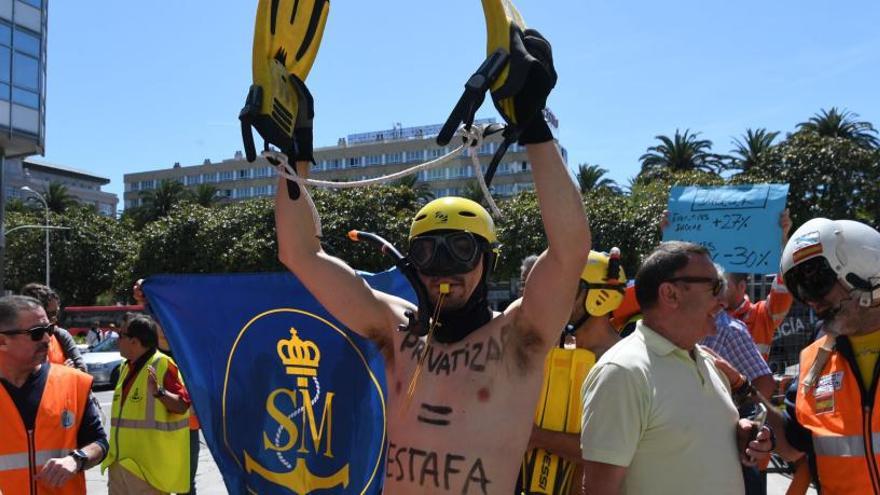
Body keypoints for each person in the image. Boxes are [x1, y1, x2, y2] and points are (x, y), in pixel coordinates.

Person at [275, 30, 592, 493]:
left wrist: (534, 125)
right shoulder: (393, 328)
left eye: (461, 251)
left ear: (487, 261)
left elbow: (570, 251)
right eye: (427, 253)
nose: (444, 268)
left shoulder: (519, 338)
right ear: (410, 262)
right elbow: (299, 253)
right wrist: (294, 155)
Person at [580, 241, 772, 494]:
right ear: (670, 294)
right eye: (714, 287)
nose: (722, 300)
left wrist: (736, 438)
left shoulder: (708, 361)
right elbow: (599, 490)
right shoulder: (622, 372)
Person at [766, 218, 880, 494]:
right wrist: (744, 390)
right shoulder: (815, 358)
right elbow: (793, 445)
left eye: (817, 284)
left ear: (862, 269)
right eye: (801, 291)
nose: (812, 301)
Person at [519, 250, 626, 495]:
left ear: (598, 298)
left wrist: (536, 436)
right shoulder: (562, 350)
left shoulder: (617, 363)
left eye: (566, 289)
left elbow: (609, 449)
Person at [0, 295, 108, 494]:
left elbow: (100, 443)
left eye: (48, 330)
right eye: (36, 333)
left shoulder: (73, 383)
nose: (47, 339)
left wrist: (77, 459)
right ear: (2, 340)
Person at [102, 315, 192, 495]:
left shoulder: (162, 363)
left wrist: (159, 392)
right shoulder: (125, 367)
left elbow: (182, 405)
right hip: (119, 463)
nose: (117, 340)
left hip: (146, 471)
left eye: (121, 335)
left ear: (134, 341)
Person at [133, 278, 201, 495]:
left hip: (187, 430)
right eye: (159, 323)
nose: (164, 329)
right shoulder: (148, 358)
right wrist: (147, 298)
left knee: (185, 486)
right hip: (155, 432)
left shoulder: (191, 354)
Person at [724, 210, 794, 361]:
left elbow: (785, 283)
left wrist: (783, 240)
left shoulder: (761, 315)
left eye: (723, 284)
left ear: (741, 286)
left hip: (751, 385)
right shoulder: (705, 315)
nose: (717, 288)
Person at [20, 283, 86, 373]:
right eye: (50, 314)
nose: (55, 319)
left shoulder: (60, 335)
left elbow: (82, 370)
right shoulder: (14, 341)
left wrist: (68, 373)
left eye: (56, 313)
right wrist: (61, 372)